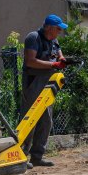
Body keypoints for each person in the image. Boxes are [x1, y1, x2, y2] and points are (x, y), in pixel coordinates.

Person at [20, 15, 68, 166]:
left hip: (49, 83)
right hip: (33, 83)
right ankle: (21, 156)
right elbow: (30, 61)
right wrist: (53, 65)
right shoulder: (33, 38)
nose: (60, 31)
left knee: (46, 121)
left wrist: (62, 60)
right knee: (29, 120)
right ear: (49, 27)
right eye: (58, 28)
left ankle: (37, 156)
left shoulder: (54, 40)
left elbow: (59, 54)